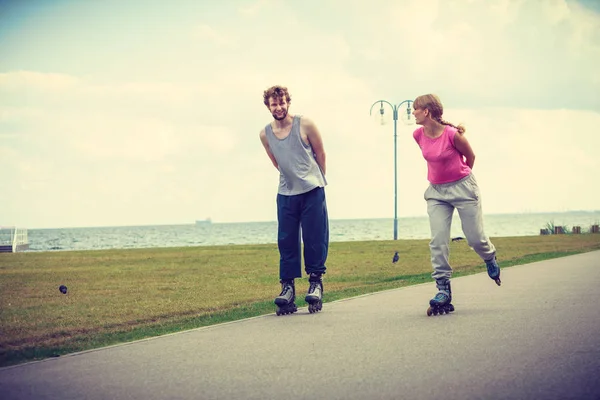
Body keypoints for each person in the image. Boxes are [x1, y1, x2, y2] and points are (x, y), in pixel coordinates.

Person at [411, 94, 501, 316]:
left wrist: (462, 180)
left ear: (427, 112)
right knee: (438, 239)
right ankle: (442, 287)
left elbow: (470, 158)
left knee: (475, 238)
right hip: (436, 192)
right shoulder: (417, 134)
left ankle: (489, 256)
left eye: (415, 109)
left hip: (462, 187)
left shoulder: (453, 135)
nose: (412, 112)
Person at [259, 85, 329, 315]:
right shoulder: (265, 134)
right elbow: (275, 161)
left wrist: (317, 180)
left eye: (281, 103)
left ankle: (315, 283)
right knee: (286, 240)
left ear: (288, 102)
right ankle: (287, 288)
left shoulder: (305, 124)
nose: (278, 107)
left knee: (314, 238)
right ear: (268, 106)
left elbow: (320, 153)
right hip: (286, 193)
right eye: (273, 104)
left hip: (312, 190)